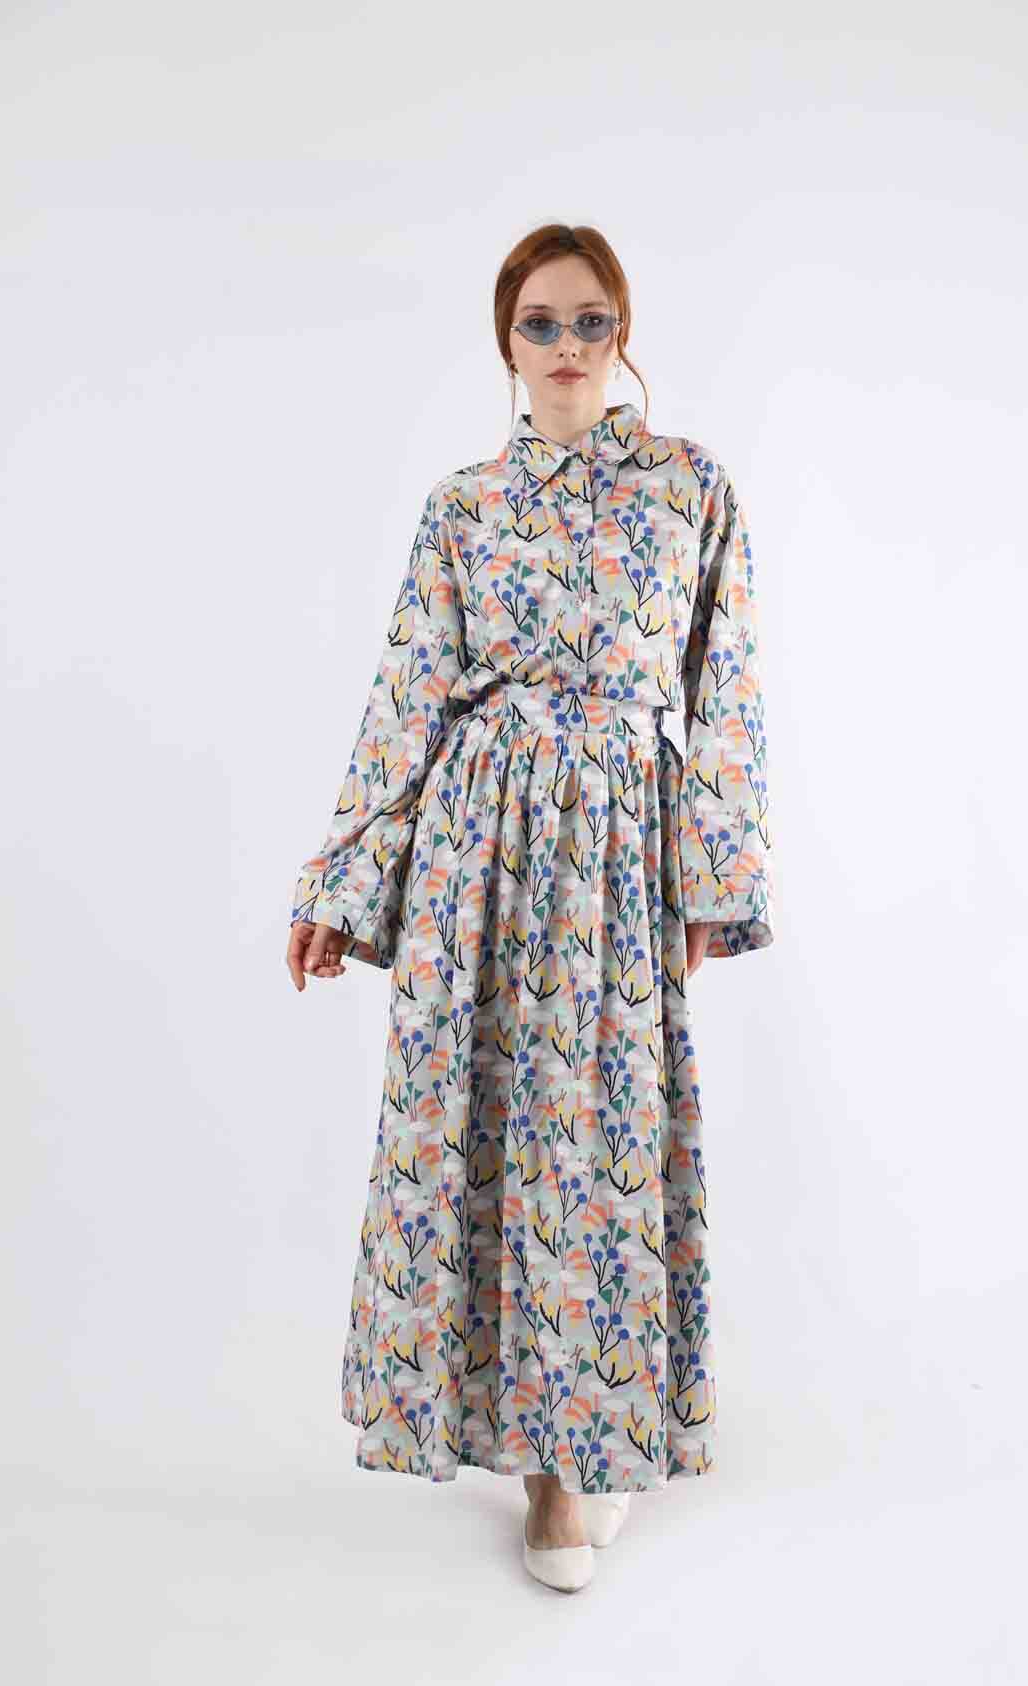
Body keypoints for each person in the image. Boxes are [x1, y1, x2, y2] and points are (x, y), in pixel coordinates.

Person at [285, 222, 775, 1592]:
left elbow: (726, 689)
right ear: (506, 342)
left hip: (619, 847)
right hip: (479, 845)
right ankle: (533, 1460)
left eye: (590, 320)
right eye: (539, 323)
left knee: (597, 1140)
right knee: (492, 1133)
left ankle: (592, 1444)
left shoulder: (690, 487)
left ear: (624, 333)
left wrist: (715, 877)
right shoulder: (463, 508)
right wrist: (344, 883)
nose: (566, 345)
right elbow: (408, 699)